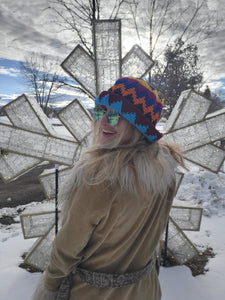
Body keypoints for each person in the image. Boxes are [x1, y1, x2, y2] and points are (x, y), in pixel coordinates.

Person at [33, 77, 185, 300]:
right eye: (100, 111)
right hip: (145, 289)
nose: (104, 122)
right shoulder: (165, 172)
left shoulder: (99, 179)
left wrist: (49, 286)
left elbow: (67, 249)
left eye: (115, 115)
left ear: (137, 125)